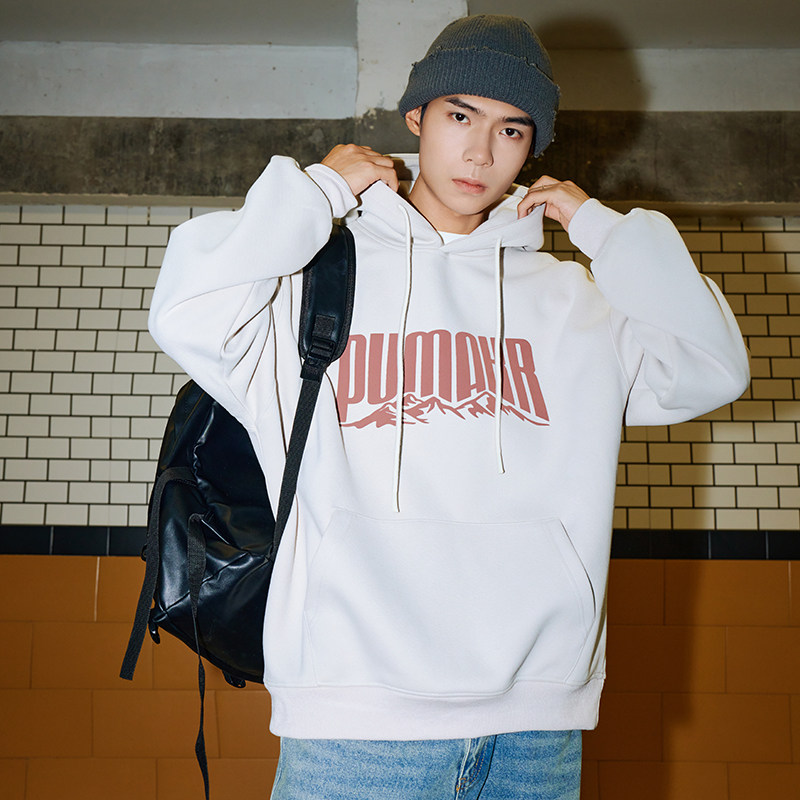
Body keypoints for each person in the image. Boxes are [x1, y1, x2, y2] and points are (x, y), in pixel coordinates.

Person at [149, 14, 749, 800]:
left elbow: (714, 365)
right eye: (460, 115)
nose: (480, 152)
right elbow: (184, 308)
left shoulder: (577, 303)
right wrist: (317, 190)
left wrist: (603, 230)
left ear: (533, 149)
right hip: (354, 726)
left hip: (534, 728)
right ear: (417, 118)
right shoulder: (312, 285)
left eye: (512, 129)